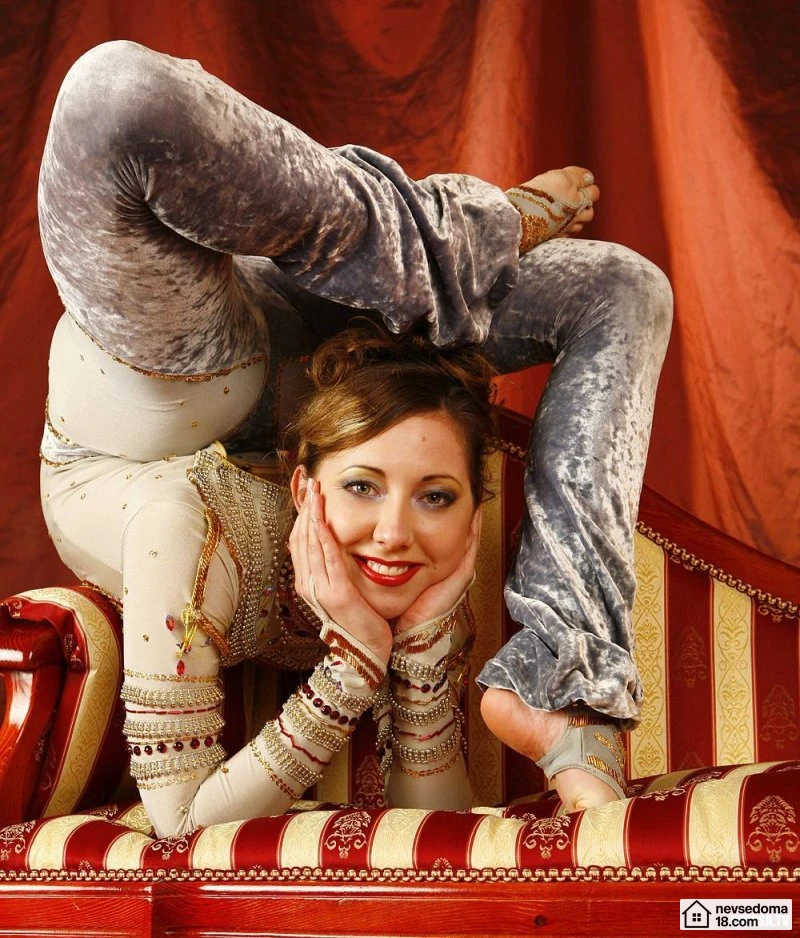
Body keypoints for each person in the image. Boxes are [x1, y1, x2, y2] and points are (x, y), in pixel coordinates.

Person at [38, 41, 673, 836]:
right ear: (303, 486)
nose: (396, 533)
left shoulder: (420, 559)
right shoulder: (192, 527)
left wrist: (409, 659)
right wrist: (351, 672)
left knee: (625, 288)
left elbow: (431, 840)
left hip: (276, 381)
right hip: (173, 403)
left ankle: (565, 698)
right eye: (368, 490)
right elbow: (183, 826)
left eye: (436, 497)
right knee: (117, 98)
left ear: (472, 509)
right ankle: (454, 235)